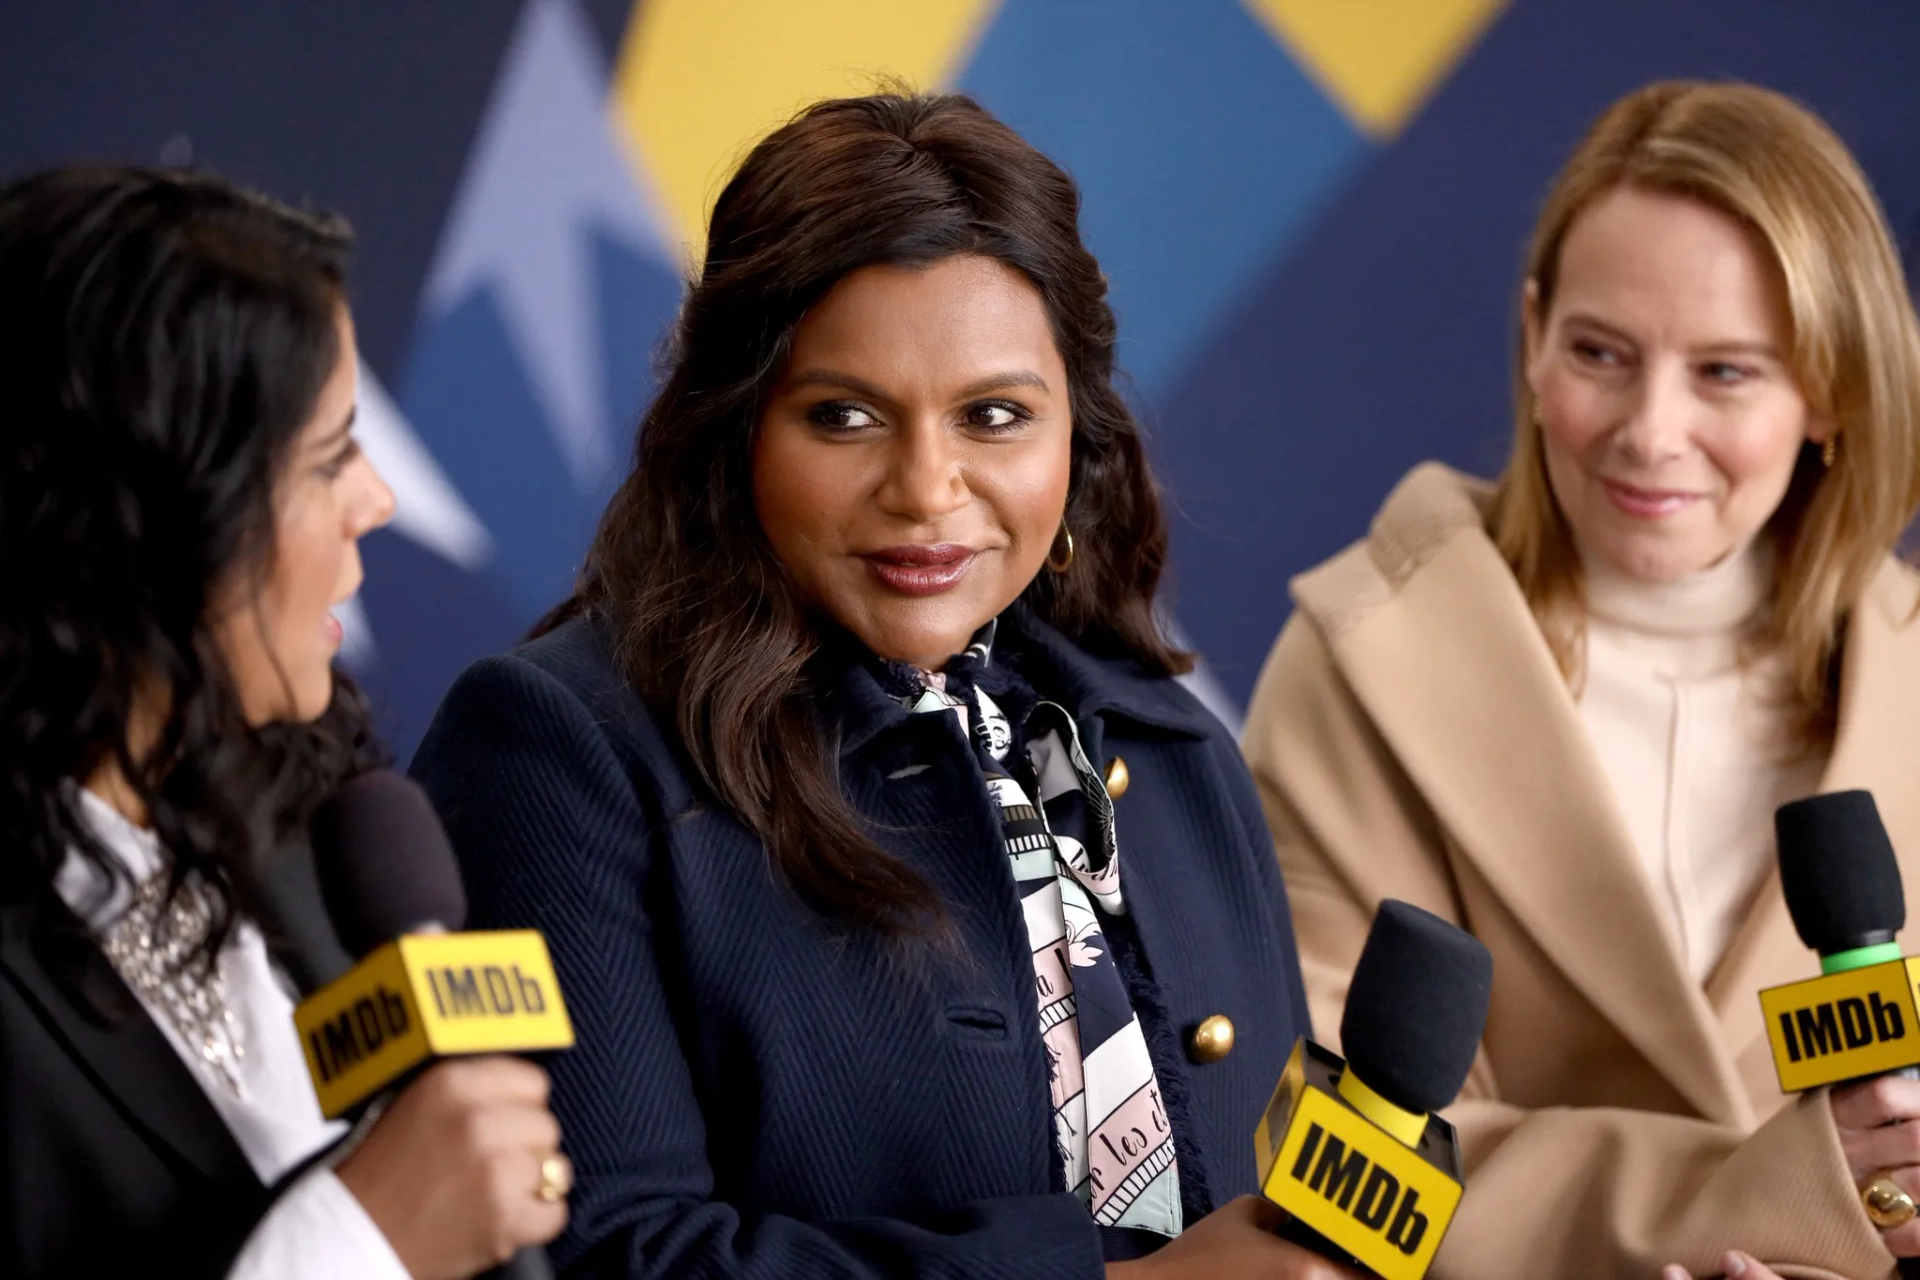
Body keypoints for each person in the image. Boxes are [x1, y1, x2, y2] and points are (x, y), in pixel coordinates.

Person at [409, 91, 1356, 1278]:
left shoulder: (1169, 747)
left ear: (1080, 433)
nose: (926, 486)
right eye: (845, 415)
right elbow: (592, 1254)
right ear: (738, 427)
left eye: (995, 416)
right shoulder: (560, 751)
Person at [1242, 80, 1920, 1279]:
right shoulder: (1357, 668)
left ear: (1830, 390)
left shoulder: (1906, 681)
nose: (1651, 431)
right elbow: (1341, 1144)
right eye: (1602, 353)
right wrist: (1778, 1193)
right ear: (1533, 335)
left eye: (1726, 372)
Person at [0, 166, 571, 1278]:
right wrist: (360, 1240)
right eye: (329, 457)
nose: (379, 499)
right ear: (151, 526)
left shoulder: (310, 833)